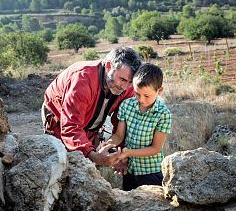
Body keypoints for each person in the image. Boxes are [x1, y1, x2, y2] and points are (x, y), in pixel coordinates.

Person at [41, 46, 142, 166]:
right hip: (60, 121)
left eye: (130, 82)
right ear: (109, 66)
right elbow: (70, 126)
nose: (125, 87)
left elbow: (123, 122)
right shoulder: (82, 80)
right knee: (65, 166)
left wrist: (120, 154)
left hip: (90, 126)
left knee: (90, 169)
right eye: (122, 80)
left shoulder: (126, 86)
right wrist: (93, 155)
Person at [105, 63, 172, 191]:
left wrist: (128, 152)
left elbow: (155, 148)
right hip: (129, 171)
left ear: (159, 90)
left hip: (151, 173)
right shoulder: (126, 105)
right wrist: (108, 145)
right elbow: (119, 136)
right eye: (137, 94)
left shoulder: (163, 114)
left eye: (147, 96)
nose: (141, 99)